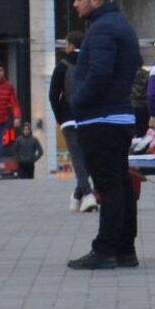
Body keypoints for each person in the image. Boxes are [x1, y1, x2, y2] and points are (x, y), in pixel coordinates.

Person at [65, 0, 143, 271]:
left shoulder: (102, 30)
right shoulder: (118, 25)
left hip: (102, 118)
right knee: (121, 184)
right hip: (117, 116)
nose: (75, 4)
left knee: (109, 187)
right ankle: (125, 249)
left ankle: (105, 249)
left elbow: (99, 73)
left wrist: (77, 101)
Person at [50, 30, 94, 213]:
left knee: (77, 158)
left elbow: (53, 95)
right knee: (88, 158)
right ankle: (80, 195)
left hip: (68, 118)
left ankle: (86, 194)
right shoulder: (91, 64)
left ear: (71, 45)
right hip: (89, 118)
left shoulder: (62, 66)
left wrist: (60, 118)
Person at [0, 62, 21, 180]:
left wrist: (17, 117)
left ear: (4, 71)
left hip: (2, 120)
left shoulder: (9, 86)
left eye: (0, 70)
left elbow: (14, 103)